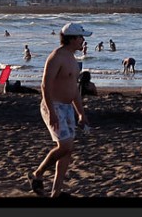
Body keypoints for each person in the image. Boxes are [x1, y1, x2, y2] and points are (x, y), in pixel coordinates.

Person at [28, 22, 90, 198]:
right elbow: (44, 86)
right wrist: (52, 112)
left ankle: (56, 192)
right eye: (81, 37)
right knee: (65, 145)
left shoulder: (73, 58)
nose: (83, 41)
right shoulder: (56, 57)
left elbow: (74, 90)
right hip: (53, 106)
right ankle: (37, 174)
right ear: (71, 39)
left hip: (67, 107)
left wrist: (81, 113)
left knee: (67, 150)